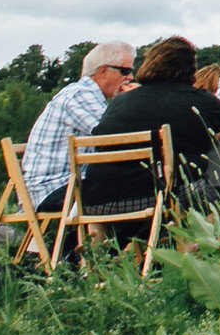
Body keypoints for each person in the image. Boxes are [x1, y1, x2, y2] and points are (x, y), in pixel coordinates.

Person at [81, 36, 220, 216]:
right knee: (214, 195)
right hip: (159, 198)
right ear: (191, 67)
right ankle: (195, 244)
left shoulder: (119, 102)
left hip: (98, 202)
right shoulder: (201, 101)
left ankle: (113, 243)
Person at [19, 42, 134, 216]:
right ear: (103, 71)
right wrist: (133, 103)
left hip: (67, 184)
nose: (131, 77)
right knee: (137, 192)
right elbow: (114, 137)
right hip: (53, 189)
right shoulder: (80, 95)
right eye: (125, 71)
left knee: (132, 188)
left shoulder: (91, 97)